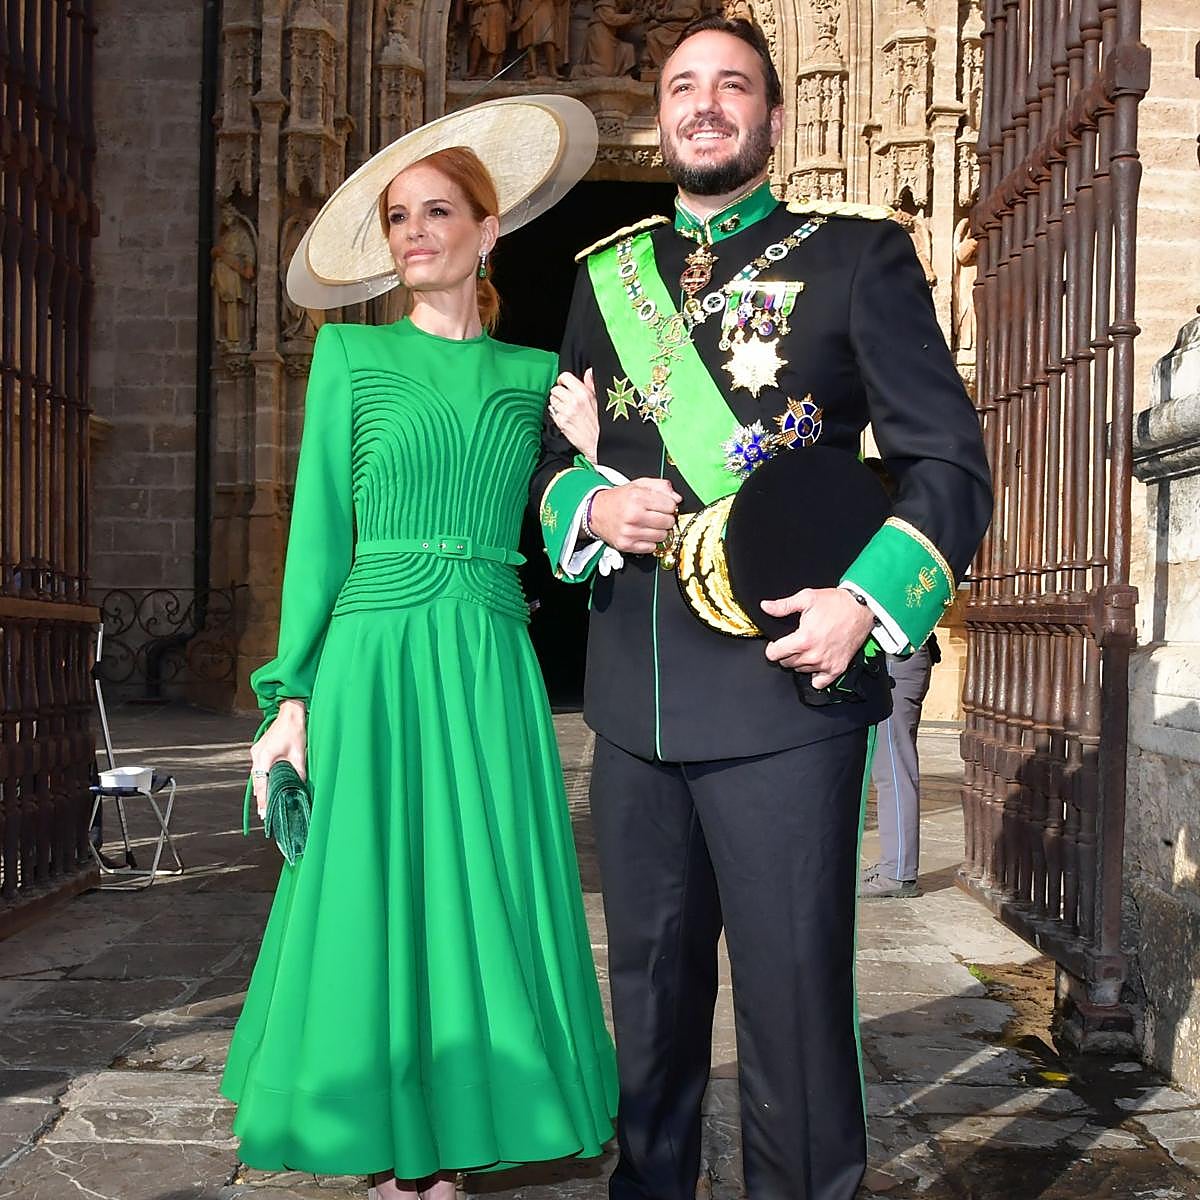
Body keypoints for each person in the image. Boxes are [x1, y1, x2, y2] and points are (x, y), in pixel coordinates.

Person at [535, 16, 992, 1200]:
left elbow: (946, 462)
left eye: (731, 85)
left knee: (791, 1016)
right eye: (683, 86)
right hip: (636, 713)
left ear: (774, 118)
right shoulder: (605, 276)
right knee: (648, 1014)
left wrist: (865, 603)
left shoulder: (856, 257)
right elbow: (552, 458)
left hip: (787, 691)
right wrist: (588, 506)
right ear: (662, 115)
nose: (704, 104)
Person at [220, 97, 616, 1200]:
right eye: (400, 218)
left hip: (487, 654)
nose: (416, 234)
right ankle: (402, 1149)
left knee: (482, 886)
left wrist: (588, 461)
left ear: (490, 231)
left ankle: (468, 1122)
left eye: (439, 212)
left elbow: (588, 526)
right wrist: (288, 695)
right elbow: (318, 541)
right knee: (382, 889)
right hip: (375, 658)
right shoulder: (347, 359)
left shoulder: (539, 376)